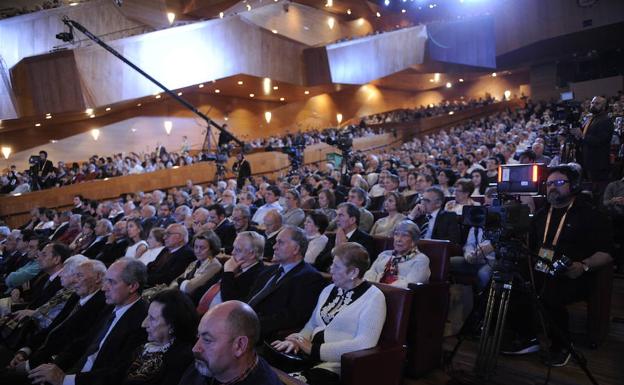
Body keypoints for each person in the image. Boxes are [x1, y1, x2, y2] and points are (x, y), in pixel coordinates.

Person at [504, 165, 613, 367]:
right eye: (549, 183)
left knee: (550, 290)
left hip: (574, 273)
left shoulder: (590, 215)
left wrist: (584, 265)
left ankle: (562, 345)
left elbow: (606, 253)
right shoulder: (540, 215)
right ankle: (528, 336)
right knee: (511, 283)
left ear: (575, 186)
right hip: (541, 268)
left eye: (559, 183)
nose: (553, 187)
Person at [271, 243, 386, 385]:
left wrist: (314, 349)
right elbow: (312, 325)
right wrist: (295, 341)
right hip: (307, 356)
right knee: (267, 370)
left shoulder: (374, 297)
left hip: (335, 365)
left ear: (353, 273)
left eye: (336, 267)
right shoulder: (329, 289)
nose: (330, 269)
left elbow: (364, 343)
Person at [26, 257, 149, 385]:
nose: (103, 288)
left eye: (111, 282)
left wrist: (65, 380)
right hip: (73, 372)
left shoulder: (142, 321)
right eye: (105, 280)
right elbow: (84, 342)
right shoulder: (111, 306)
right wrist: (54, 367)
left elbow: (117, 372)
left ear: (133, 286)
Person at [245, 226, 326, 340]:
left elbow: (291, 318)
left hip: (263, 335)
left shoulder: (310, 278)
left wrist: (249, 325)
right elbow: (250, 298)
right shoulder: (269, 270)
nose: (274, 247)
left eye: (280, 243)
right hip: (244, 323)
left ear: (296, 249)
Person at [178, 300, 281, 385]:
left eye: (207, 340)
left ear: (239, 346)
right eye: (198, 336)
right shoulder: (204, 364)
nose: (195, 348)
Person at [121, 289, 197, 385]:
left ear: (172, 326)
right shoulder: (142, 342)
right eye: (147, 316)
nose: (144, 324)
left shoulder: (180, 360)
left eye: (152, 319)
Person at [202, 231, 268, 310]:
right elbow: (207, 286)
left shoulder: (259, 275)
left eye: (238, 250)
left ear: (252, 254)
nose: (232, 252)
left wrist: (228, 273)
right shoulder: (234, 263)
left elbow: (230, 303)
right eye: (233, 248)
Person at [365, 220, 430, 286]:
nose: (398, 239)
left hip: (396, 295)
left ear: (414, 240)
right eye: (396, 234)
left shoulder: (421, 260)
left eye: (405, 235)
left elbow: (409, 284)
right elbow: (370, 274)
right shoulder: (384, 255)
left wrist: (382, 286)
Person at [573, 96, 615, 194]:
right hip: (589, 161)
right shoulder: (592, 119)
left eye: (597, 103)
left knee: (600, 192)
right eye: (592, 103)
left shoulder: (606, 120)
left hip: (599, 162)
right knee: (592, 189)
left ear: (604, 106)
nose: (593, 105)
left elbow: (600, 141)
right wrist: (578, 136)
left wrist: (582, 136)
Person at [170, 231, 222, 302]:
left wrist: (180, 282)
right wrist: (181, 282)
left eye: (202, 248)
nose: (197, 251)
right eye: (196, 247)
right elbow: (176, 281)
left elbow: (189, 288)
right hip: (183, 298)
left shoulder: (215, 265)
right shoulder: (194, 263)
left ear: (212, 249)